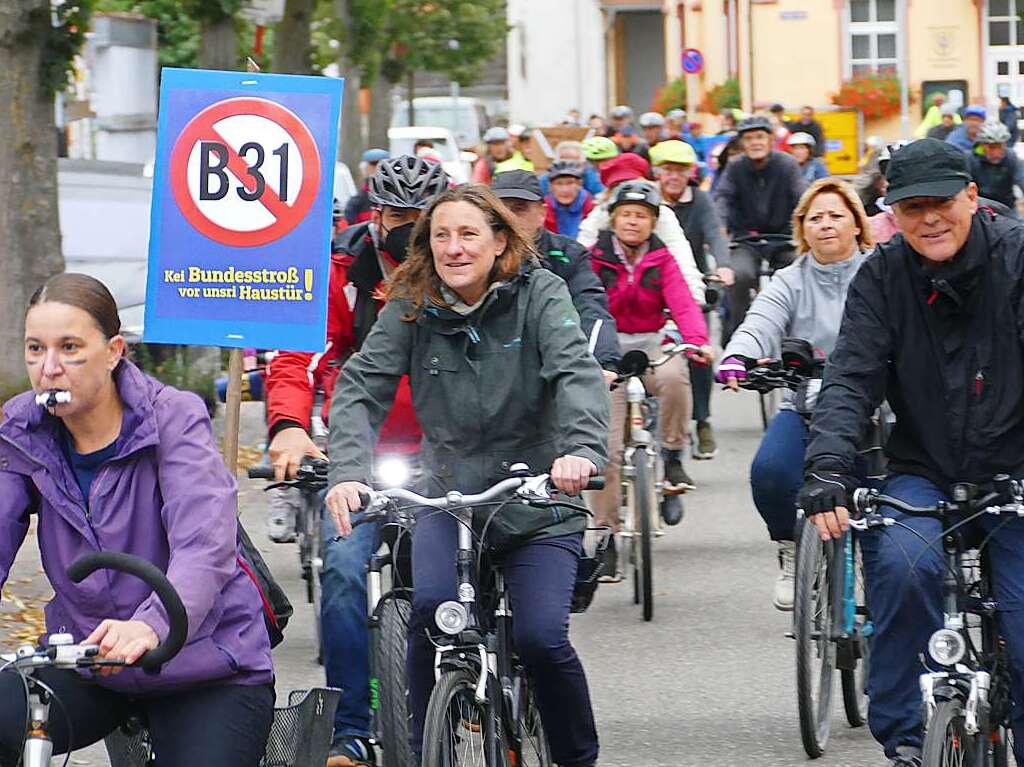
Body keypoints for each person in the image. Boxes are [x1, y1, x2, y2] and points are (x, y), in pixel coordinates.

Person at [326, 184, 609, 767]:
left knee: (539, 638)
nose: (454, 248)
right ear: (427, 248)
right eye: (441, 236)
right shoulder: (409, 302)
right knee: (430, 612)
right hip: (447, 496)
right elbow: (360, 386)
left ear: (499, 240)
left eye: (468, 234)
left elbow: (576, 374)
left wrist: (578, 451)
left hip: (537, 497)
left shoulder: (541, 293)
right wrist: (348, 472)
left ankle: (578, 757)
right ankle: (420, 751)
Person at [798, 138, 1024, 767]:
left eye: (941, 203)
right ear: (891, 213)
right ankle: (905, 736)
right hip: (923, 468)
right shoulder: (884, 273)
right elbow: (850, 376)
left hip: (1016, 470)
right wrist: (828, 467)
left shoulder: (1017, 258)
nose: (929, 219)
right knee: (901, 566)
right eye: (910, 206)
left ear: (972, 198)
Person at [0, 274, 275, 766]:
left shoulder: (174, 417)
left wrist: (149, 627)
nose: (50, 368)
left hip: (205, 664)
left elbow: (205, 547)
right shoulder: (22, 428)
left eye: (70, 348)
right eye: (35, 350)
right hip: (90, 662)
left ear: (114, 352)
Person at [265, 155, 449, 767]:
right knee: (342, 573)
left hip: (450, 450)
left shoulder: (462, 264)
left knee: (466, 580)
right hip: (359, 452)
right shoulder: (344, 270)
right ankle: (350, 729)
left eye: (422, 216)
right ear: (376, 212)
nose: (410, 227)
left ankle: (479, 691)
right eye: (399, 214)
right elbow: (299, 354)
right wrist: (290, 426)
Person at [715, 179, 873, 610]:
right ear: (803, 228)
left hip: (878, 411)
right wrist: (739, 355)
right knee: (769, 471)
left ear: (858, 225)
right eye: (815, 218)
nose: (826, 225)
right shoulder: (789, 279)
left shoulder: (883, 270)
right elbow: (760, 321)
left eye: (836, 215)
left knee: (884, 505)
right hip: (807, 403)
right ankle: (789, 547)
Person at [587, 181, 713, 537]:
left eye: (641, 216)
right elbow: (582, 306)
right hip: (605, 352)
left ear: (653, 222)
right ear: (612, 219)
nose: (633, 222)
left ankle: (673, 455)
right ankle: (605, 535)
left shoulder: (662, 258)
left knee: (675, 377)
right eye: (626, 214)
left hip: (651, 343)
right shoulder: (593, 258)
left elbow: (683, 304)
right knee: (607, 449)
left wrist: (698, 341)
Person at [490, 169, 620, 373]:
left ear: (542, 213)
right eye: (499, 211)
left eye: (519, 209)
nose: (508, 219)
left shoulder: (569, 254)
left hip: (554, 360)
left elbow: (590, 305)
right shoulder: (475, 255)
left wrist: (601, 361)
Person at [651, 139, 730, 460]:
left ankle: (702, 419)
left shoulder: (700, 202)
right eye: (667, 170)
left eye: (680, 171)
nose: (673, 177)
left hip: (691, 287)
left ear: (690, 174)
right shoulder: (646, 200)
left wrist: (723, 265)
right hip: (650, 287)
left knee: (699, 352)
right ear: (657, 173)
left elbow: (714, 234)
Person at [713, 114, 808, 343]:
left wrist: (807, 223)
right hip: (746, 240)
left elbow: (802, 196)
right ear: (742, 143)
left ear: (770, 139)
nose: (755, 142)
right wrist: (720, 225)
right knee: (739, 275)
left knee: (797, 272)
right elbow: (722, 198)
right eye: (748, 138)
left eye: (760, 137)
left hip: (783, 237)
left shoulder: (787, 164)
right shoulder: (735, 167)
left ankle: (797, 335)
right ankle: (738, 335)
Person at [577, 152, 707, 308]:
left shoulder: (663, 214)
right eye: (618, 186)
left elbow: (679, 253)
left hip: (652, 297)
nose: (627, 191)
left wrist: (694, 297)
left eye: (631, 183)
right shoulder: (599, 215)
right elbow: (582, 256)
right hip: (607, 300)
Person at [968, 120, 1024, 214]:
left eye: (1000, 147)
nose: (996, 153)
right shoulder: (971, 160)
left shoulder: (1011, 158)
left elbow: (1021, 178)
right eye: (992, 147)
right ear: (982, 145)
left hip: (1007, 207)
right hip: (981, 208)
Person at [541, 160, 595, 239]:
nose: (565, 190)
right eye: (559, 183)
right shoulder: (542, 210)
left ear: (579, 184)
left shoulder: (593, 209)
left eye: (570, 183)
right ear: (551, 187)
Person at [540, 140, 604, 196]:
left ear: (582, 162)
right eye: (564, 161)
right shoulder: (546, 179)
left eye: (574, 162)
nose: (569, 166)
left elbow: (598, 195)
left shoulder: (591, 176)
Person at [344, 148, 389, 225]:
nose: (378, 167)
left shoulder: (399, 198)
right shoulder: (357, 201)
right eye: (374, 164)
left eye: (383, 164)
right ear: (364, 167)